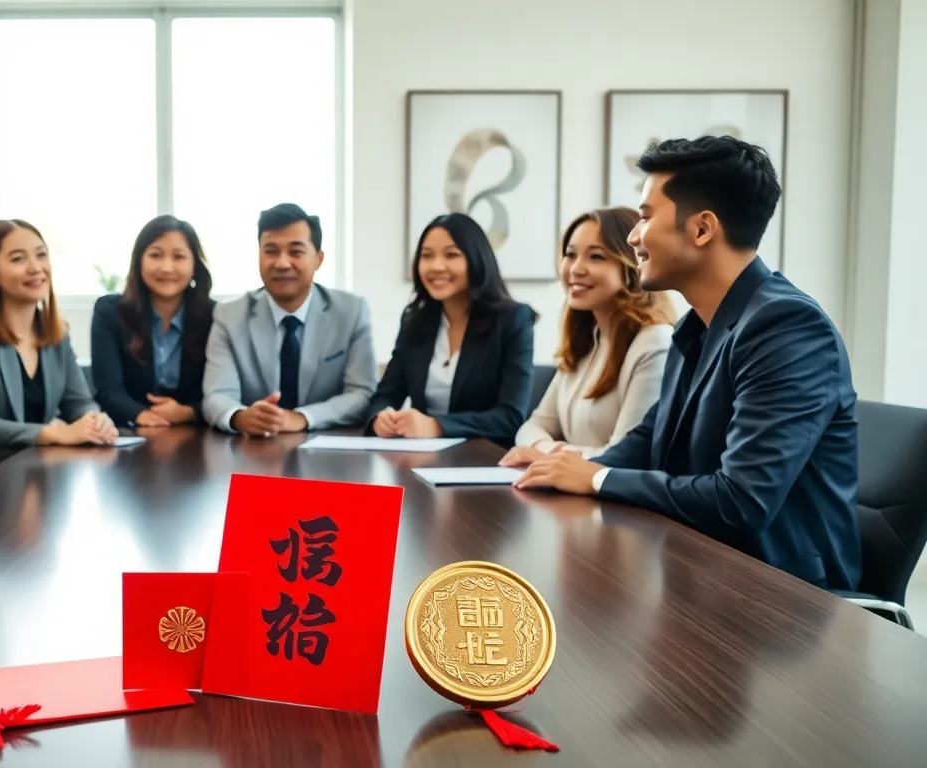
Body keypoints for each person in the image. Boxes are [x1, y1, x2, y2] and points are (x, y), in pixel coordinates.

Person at [515, 136, 860, 591]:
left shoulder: (787, 326)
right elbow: (649, 441)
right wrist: (564, 472)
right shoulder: (697, 326)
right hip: (697, 570)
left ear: (702, 229)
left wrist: (598, 477)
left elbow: (741, 501)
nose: (635, 237)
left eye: (645, 218)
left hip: (782, 601)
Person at [501, 208, 675, 464]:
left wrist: (550, 455)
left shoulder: (654, 343)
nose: (575, 269)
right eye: (570, 255)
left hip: (617, 499)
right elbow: (532, 427)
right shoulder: (588, 339)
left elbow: (626, 457)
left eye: (596, 257)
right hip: (572, 493)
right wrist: (551, 452)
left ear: (632, 265)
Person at [0, 219, 118, 461]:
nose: (35, 268)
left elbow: (79, 402)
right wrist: (54, 434)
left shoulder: (55, 331)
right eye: (18, 259)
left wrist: (95, 420)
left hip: (30, 466)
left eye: (41, 255)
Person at [202, 203, 376, 436]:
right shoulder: (229, 315)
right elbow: (217, 395)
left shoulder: (351, 311)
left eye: (296, 252)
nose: (282, 263)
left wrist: (302, 417)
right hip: (254, 451)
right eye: (270, 251)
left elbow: (361, 394)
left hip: (328, 453)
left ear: (318, 259)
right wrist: (240, 416)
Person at [364, 213, 535, 445]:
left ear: (477, 260)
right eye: (426, 256)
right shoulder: (415, 320)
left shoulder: (513, 319)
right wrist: (380, 418)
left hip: (484, 458)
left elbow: (510, 417)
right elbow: (386, 394)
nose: (436, 266)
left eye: (451, 255)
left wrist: (436, 426)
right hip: (419, 458)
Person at [91, 215, 215, 427]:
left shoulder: (215, 316)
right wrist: (143, 416)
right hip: (130, 433)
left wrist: (189, 412)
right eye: (155, 255)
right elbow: (108, 390)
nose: (166, 268)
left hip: (199, 436)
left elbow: (223, 392)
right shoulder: (110, 312)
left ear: (194, 265)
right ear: (139, 261)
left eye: (179, 257)